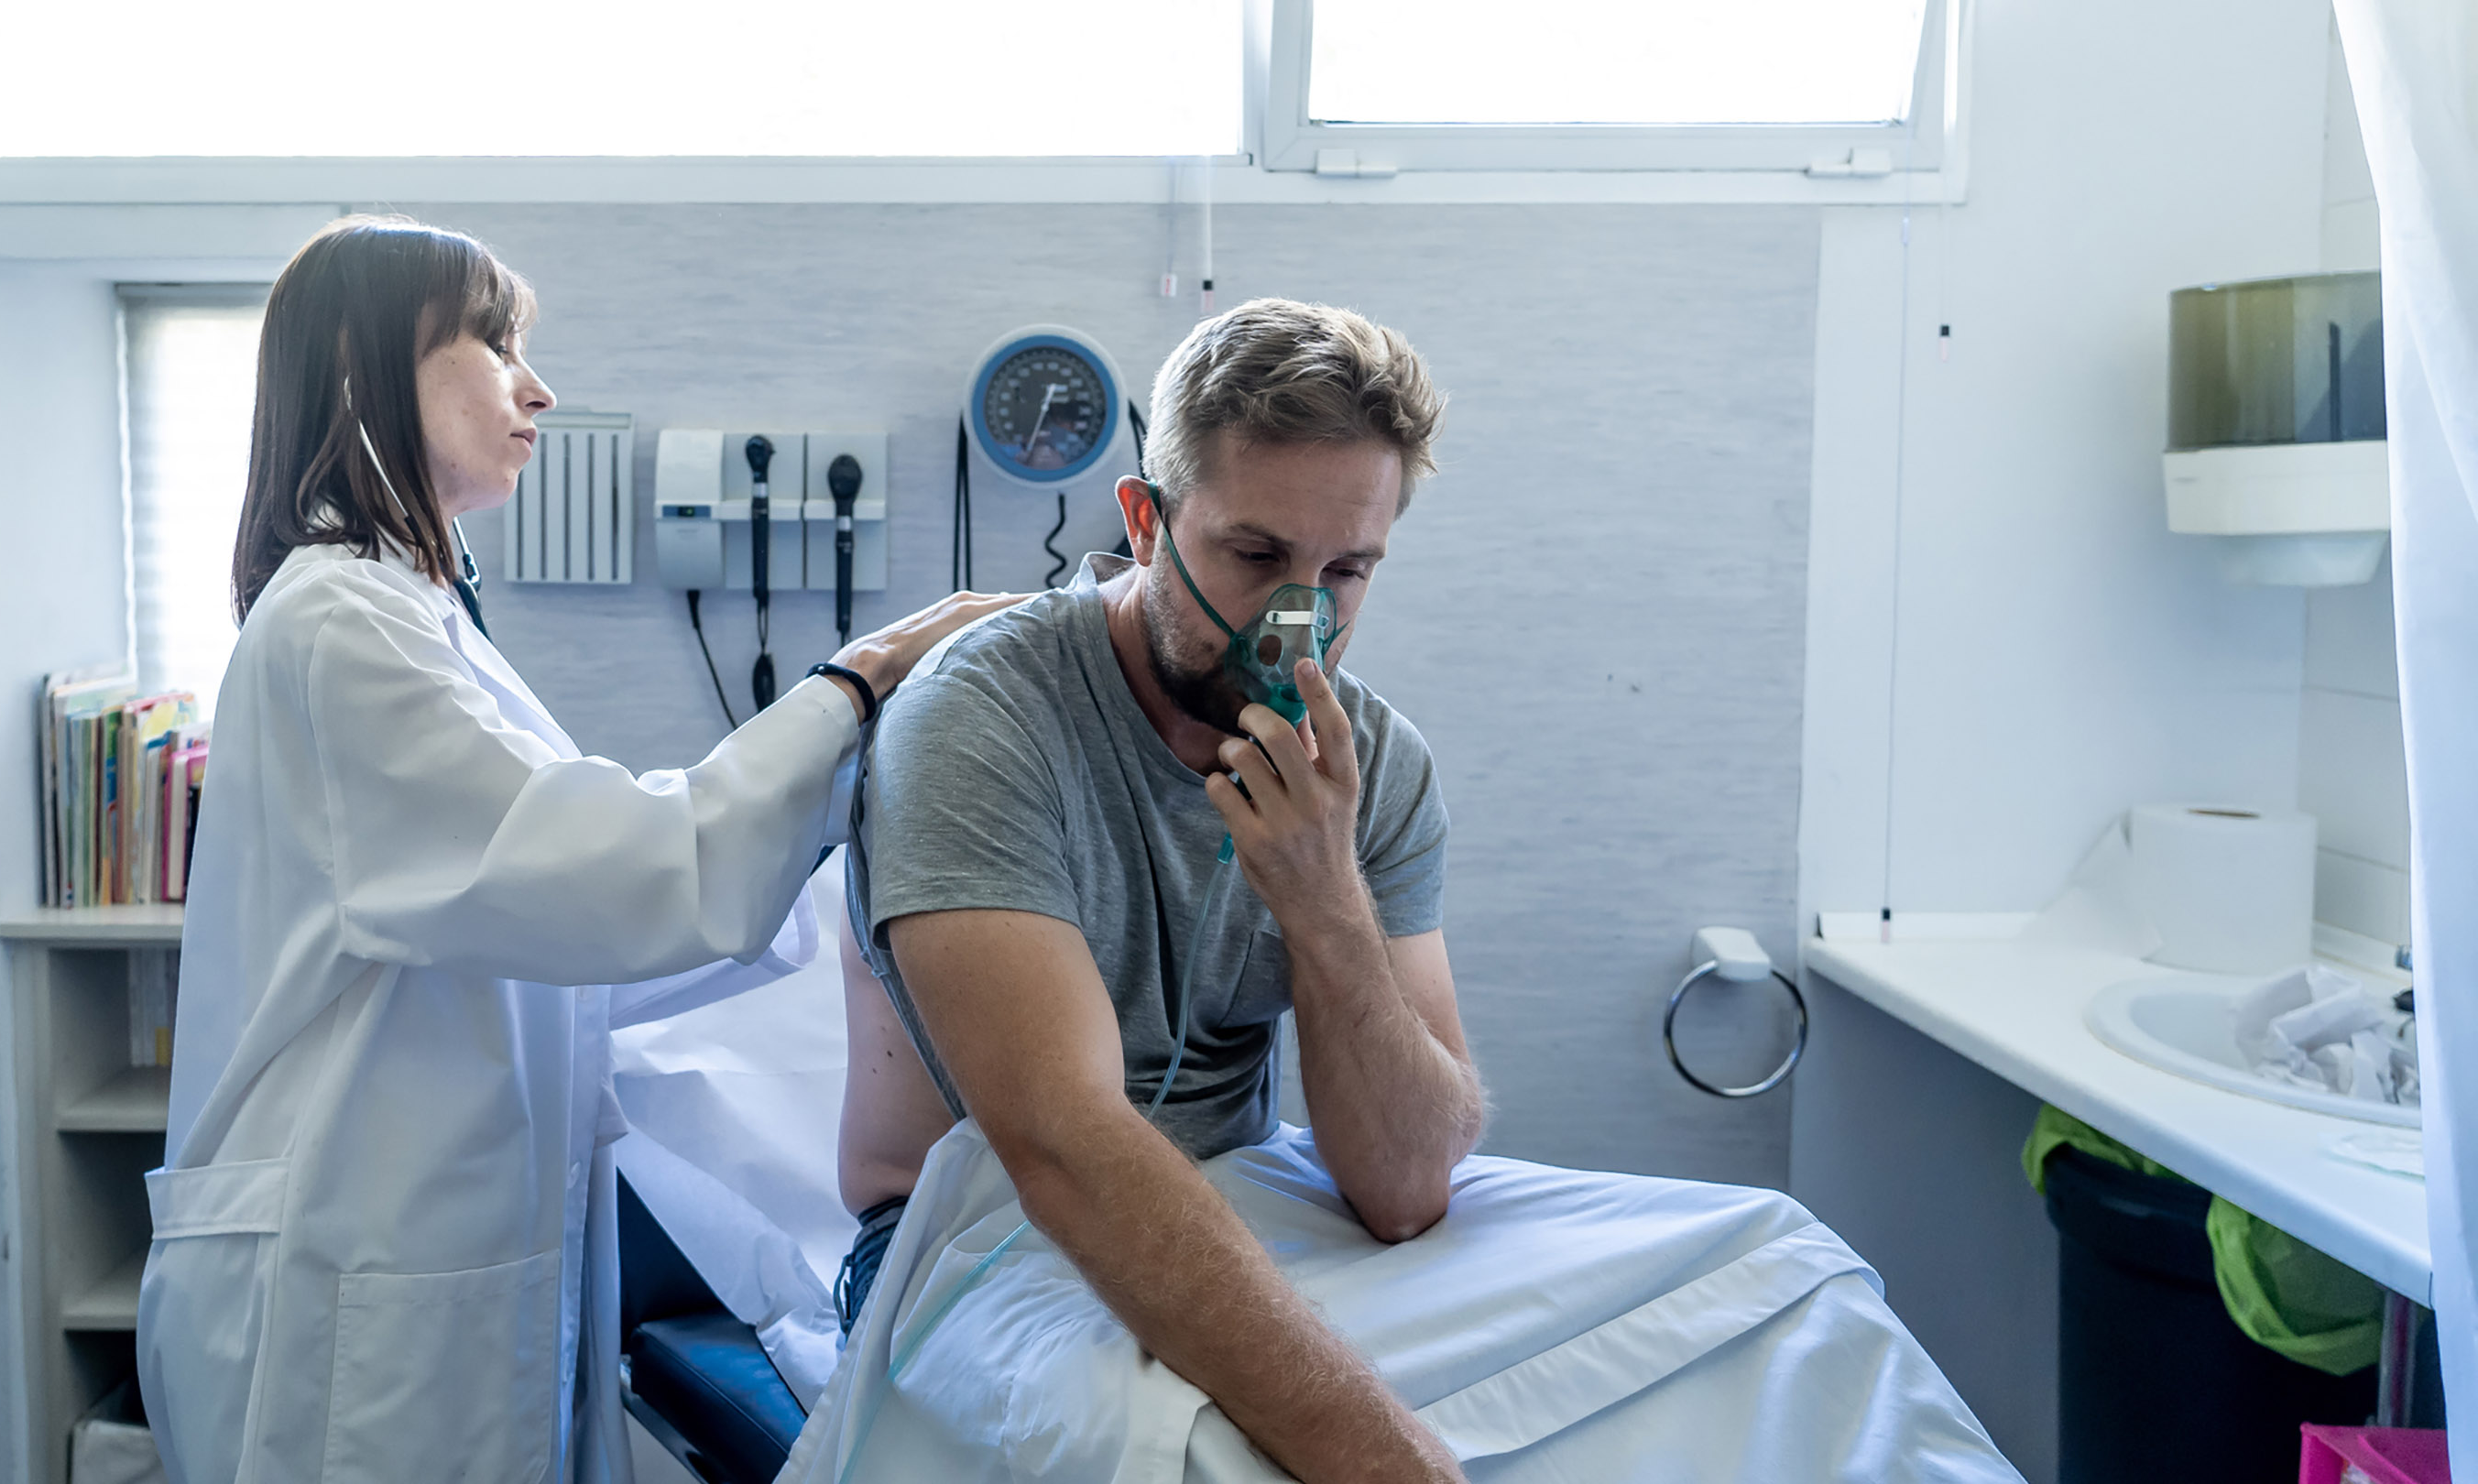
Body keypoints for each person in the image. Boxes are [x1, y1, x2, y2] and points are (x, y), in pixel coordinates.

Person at [801, 300, 2021, 1484]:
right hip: (974, 1240)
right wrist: (1390, 1462)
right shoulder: (984, 721)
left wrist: (1323, 897)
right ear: (1146, 521)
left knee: (1783, 1280)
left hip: (1253, 1203)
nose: (1297, 622)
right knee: (1215, 1454)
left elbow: (1404, 1189)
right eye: (1257, 556)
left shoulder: (1371, 765)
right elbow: (1063, 1150)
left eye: (1346, 571)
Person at [134, 216, 1016, 1484]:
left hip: (440, 1260)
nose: (537, 387)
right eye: (494, 344)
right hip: (354, 1279)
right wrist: (857, 683)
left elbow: (575, 936)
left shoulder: (413, 613)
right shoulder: (338, 622)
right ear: (362, 369)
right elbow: (610, 871)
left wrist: (831, 822)